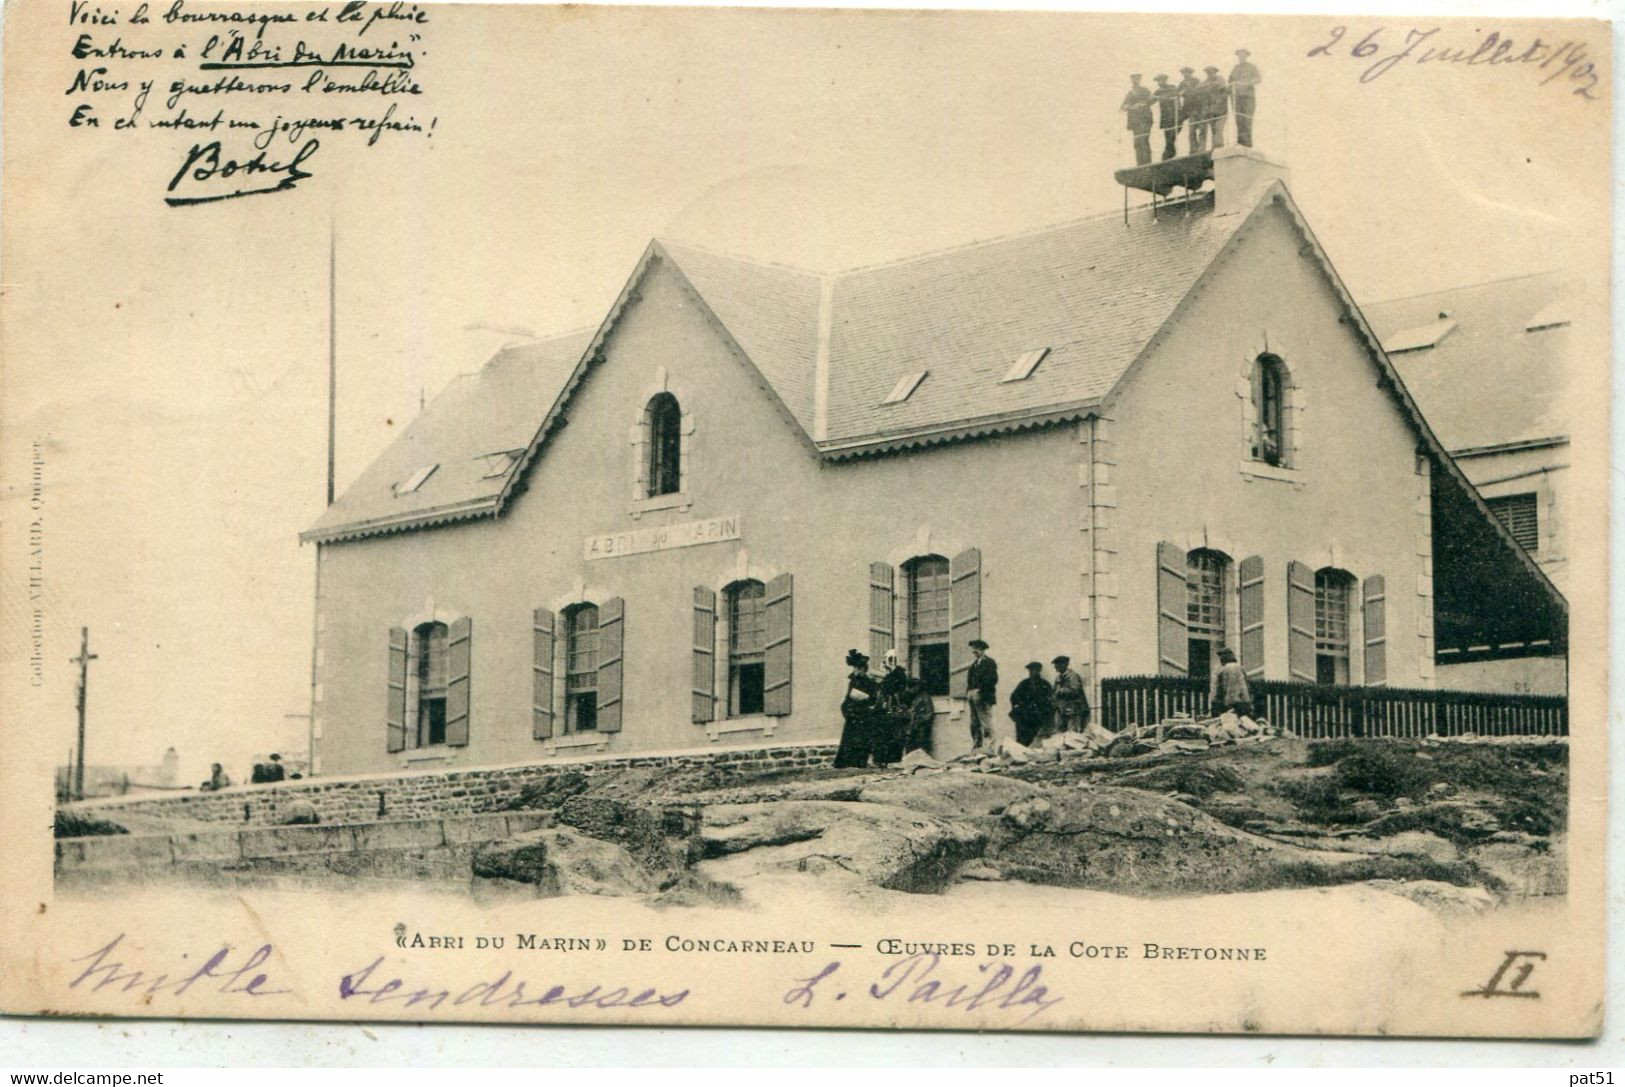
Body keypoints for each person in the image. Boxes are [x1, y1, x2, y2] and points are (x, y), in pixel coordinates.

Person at [834, 649, 881, 768]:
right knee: (849, 741)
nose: (855, 671)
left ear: (863, 669)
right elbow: (847, 698)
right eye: (854, 668)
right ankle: (845, 764)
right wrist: (847, 710)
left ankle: (859, 764)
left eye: (857, 668)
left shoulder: (870, 683)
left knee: (861, 741)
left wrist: (866, 700)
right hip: (852, 716)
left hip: (863, 717)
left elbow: (873, 699)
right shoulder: (853, 682)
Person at [874, 649, 910, 766]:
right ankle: (884, 760)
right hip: (886, 708)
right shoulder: (888, 675)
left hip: (895, 707)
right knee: (885, 734)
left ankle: (893, 759)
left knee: (895, 734)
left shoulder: (899, 674)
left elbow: (898, 690)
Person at [1008, 662, 1055, 747]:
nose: (1032, 672)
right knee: (1022, 740)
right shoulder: (1024, 683)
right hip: (1024, 717)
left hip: (1037, 717)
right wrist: (1018, 705)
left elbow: (1049, 701)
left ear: (1039, 671)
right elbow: (1014, 697)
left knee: (1035, 740)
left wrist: (1042, 710)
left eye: (1034, 670)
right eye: (1030, 670)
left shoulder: (1045, 684)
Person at [965, 639, 999, 749]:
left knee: (985, 721)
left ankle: (990, 745)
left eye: (977, 649)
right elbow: (969, 681)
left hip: (983, 696)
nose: (974, 651)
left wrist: (981, 690)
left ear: (983, 649)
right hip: (973, 695)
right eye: (973, 649)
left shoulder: (989, 662)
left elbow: (993, 679)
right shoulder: (973, 665)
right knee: (974, 722)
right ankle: (977, 744)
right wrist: (969, 692)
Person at [1229, 49, 1261, 147]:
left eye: (1243, 55)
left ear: (1246, 56)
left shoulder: (1251, 67)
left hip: (1248, 96)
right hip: (1236, 96)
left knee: (1247, 118)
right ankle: (1240, 142)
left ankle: (1247, 143)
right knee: (1238, 119)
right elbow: (1230, 81)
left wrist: (1248, 83)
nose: (1240, 57)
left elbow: (1258, 78)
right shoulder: (1235, 68)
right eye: (1239, 55)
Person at [1120, 73, 1154, 166]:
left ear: (1140, 80)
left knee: (1144, 140)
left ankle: (1147, 162)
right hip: (1134, 122)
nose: (1135, 81)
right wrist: (1125, 106)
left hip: (1144, 119)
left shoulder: (1144, 90)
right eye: (1134, 79)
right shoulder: (1130, 93)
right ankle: (1140, 163)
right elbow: (1123, 106)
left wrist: (1142, 104)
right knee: (1137, 143)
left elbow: (1151, 99)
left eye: (1137, 79)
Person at [1210, 646, 1253, 718]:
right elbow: (1246, 685)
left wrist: (1214, 702)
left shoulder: (1222, 670)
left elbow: (1218, 688)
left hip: (1228, 704)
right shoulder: (1240, 668)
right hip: (1242, 702)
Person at [1052, 655, 1090, 733]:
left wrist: (1061, 690)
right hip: (1061, 709)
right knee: (1060, 732)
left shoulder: (1073, 676)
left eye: (1057, 664)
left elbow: (1075, 691)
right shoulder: (1058, 677)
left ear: (1064, 664)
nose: (1055, 666)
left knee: (1072, 734)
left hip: (1073, 709)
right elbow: (1054, 692)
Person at [903, 677, 936, 756]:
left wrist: (920, 722)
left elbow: (930, 713)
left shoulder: (924, 696)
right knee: (910, 745)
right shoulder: (915, 697)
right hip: (915, 725)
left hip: (922, 726)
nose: (911, 690)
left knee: (922, 746)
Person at [1176, 67, 1205, 154]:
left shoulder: (1196, 80)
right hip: (1190, 109)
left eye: (1187, 72)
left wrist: (1189, 90)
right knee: (1192, 130)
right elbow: (1177, 95)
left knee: (1202, 128)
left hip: (1199, 107)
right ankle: (1193, 149)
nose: (1185, 74)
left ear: (1190, 73)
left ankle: (1201, 148)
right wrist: (1179, 105)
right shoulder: (1182, 83)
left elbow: (1201, 90)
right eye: (1183, 73)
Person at [1152, 74, 1180, 161]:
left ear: (1165, 80)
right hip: (1165, 116)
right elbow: (1150, 99)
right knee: (1167, 135)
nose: (1159, 83)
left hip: (1174, 114)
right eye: (1158, 81)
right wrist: (1157, 97)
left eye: (1160, 80)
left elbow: (1174, 94)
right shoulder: (1158, 91)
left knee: (1172, 135)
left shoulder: (1172, 87)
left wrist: (1162, 97)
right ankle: (1169, 154)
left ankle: (1168, 154)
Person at [1201, 66, 1229, 149]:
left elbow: (1225, 91)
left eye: (1211, 72)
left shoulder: (1220, 80)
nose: (1209, 74)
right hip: (1211, 110)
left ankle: (1219, 146)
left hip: (1221, 109)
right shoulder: (1206, 82)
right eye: (1207, 72)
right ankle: (1214, 148)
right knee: (1213, 130)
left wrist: (1219, 100)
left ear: (1215, 72)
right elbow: (1199, 88)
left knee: (1218, 128)